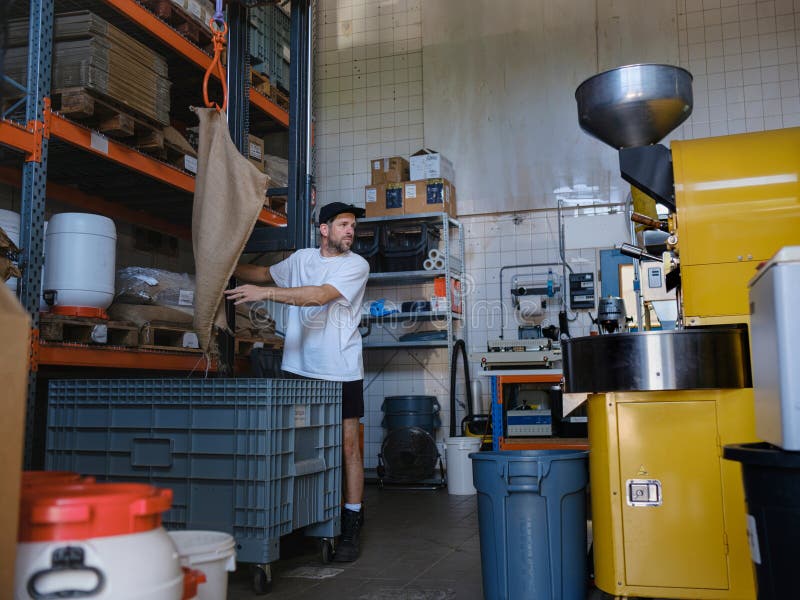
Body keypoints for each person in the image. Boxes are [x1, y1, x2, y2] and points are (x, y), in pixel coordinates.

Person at [225, 202, 369, 562]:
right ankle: (304, 517)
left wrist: (265, 295)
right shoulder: (302, 259)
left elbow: (317, 296)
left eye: (352, 225)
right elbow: (261, 273)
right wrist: (222, 263)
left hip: (340, 371)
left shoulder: (356, 265)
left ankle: (351, 518)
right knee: (300, 444)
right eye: (343, 224)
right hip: (299, 369)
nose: (350, 231)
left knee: (347, 446)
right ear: (324, 229)